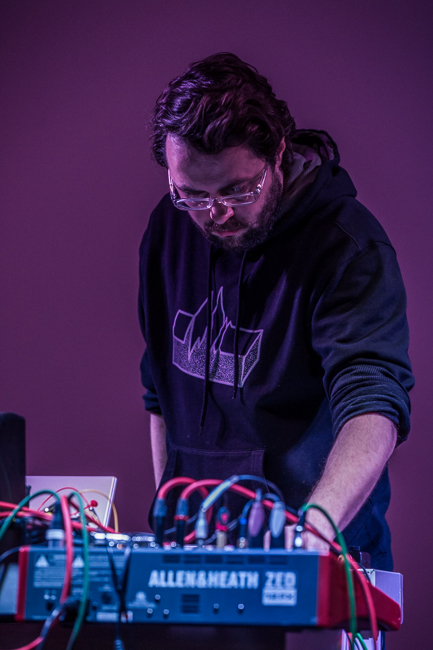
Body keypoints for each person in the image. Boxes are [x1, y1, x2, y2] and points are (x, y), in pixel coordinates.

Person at [138, 52, 414, 569]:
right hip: (199, 550)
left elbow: (373, 404)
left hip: (323, 547)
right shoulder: (169, 228)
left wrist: (314, 531)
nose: (216, 214)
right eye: (192, 194)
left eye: (238, 189)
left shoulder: (348, 246)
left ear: (278, 153)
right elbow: (160, 390)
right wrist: (170, 522)